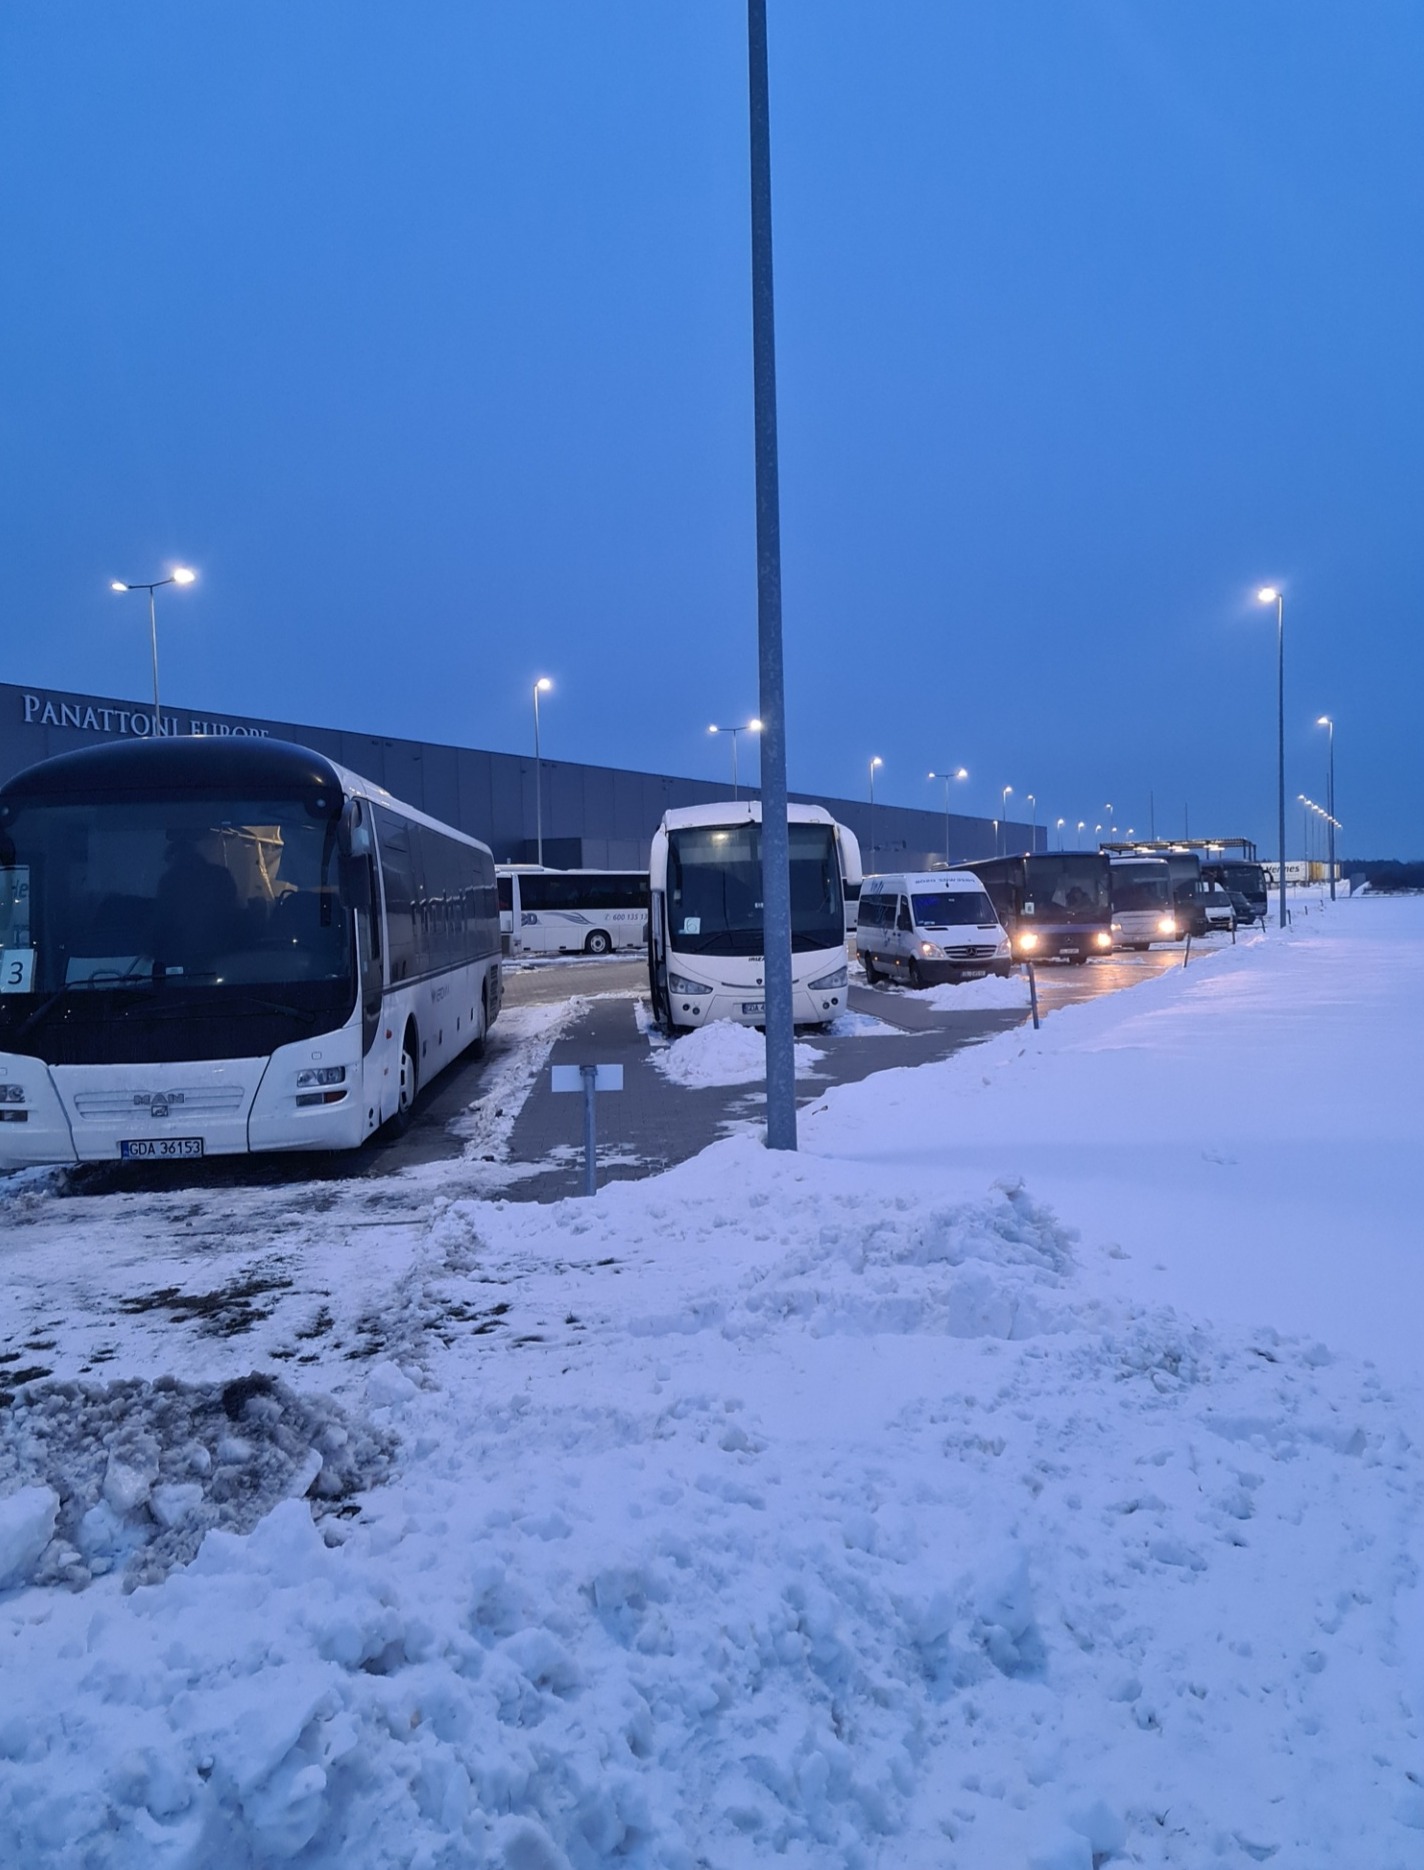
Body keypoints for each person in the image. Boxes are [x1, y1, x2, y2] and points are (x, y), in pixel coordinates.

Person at [154, 828, 241, 973]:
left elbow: (163, 919)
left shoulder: (169, 881)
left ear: (175, 857)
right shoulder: (220, 875)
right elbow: (233, 910)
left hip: (185, 954)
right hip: (225, 954)